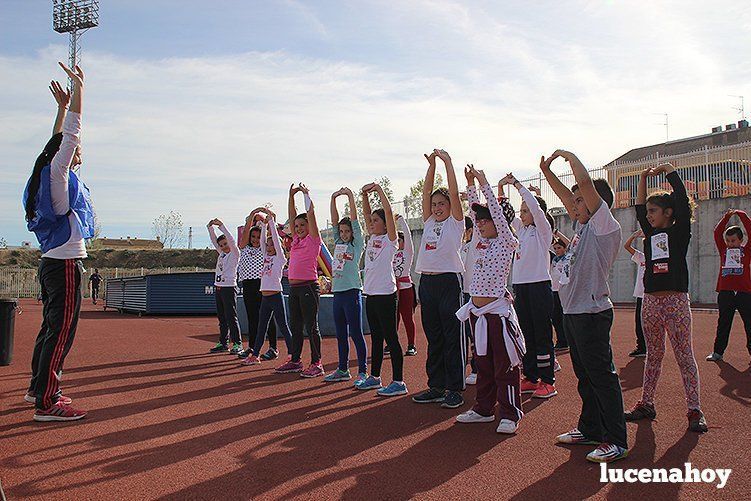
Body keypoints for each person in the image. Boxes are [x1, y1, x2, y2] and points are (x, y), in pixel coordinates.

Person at [541, 150, 628, 463]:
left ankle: (615, 439)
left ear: (595, 203)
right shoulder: (581, 228)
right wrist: (545, 171)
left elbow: (583, 186)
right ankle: (590, 428)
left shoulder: (605, 226)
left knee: (602, 377)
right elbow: (567, 195)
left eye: (580, 201)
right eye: (575, 201)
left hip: (592, 313)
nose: (573, 204)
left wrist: (570, 158)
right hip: (572, 312)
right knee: (585, 376)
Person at [23, 64, 92, 422]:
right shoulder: (58, 174)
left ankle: (38, 388)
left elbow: (57, 143)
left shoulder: (47, 176)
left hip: (52, 260)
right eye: (73, 151)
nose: (78, 152)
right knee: (61, 331)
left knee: (51, 327)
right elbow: (69, 138)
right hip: (64, 263)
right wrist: (80, 91)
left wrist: (60, 109)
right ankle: (48, 402)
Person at [625, 163, 707, 433]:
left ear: (668, 213)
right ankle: (647, 403)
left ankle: (694, 409)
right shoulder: (650, 234)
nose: (647, 216)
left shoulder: (679, 231)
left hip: (675, 302)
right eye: (647, 212)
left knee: (685, 356)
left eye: (653, 211)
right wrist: (641, 178)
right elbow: (638, 208)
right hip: (650, 302)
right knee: (653, 356)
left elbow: (682, 202)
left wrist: (671, 172)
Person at [455, 167, 525, 433]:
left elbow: (495, 211)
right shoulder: (479, 243)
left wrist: (484, 182)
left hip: (497, 313)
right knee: (482, 364)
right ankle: (483, 409)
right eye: (479, 221)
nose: (481, 223)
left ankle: (510, 413)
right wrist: (470, 183)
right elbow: (474, 213)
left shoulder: (507, 242)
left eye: (487, 220)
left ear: (501, 223)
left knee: (504, 365)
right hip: (477, 313)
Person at [412, 149, 466, 409]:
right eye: (434, 205)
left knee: (451, 336)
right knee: (434, 337)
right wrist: (431, 165)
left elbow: (454, 194)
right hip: (427, 283)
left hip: (448, 282)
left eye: (441, 204)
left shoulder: (456, 222)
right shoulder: (429, 220)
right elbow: (425, 192)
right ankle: (436, 385)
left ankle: (455, 388)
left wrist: (447, 162)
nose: (436, 207)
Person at [357, 182, 407, 396]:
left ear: (386, 225)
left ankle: (398, 381)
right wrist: (364, 195)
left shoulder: (389, 240)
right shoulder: (372, 238)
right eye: (371, 221)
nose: (371, 223)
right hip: (371, 295)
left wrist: (378, 190)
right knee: (376, 338)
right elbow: (367, 213)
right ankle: (375, 377)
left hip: (386, 295)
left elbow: (387, 211)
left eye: (376, 221)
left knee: (391, 338)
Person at [508, 178, 557, 399]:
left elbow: (536, 209)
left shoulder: (543, 232)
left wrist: (518, 186)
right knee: (526, 333)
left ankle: (548, 381)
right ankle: (531, 376)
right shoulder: (520, 231)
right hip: (521, 287)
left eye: (526, 210)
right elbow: (503, 216)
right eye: (521, 210)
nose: (523, 214)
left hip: (539, 287)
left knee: (541, 334)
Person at [274, 184, 324, 377]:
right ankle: (295, 360)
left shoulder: (314, 240)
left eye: (303, 225)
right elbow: (292, 213)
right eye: (297, 226)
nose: (299, 228)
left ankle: (317, 363)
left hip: (309, 287)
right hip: (293, 288)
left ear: (310, 227)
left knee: (311, 326)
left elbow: (310, 213)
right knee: (295, 326)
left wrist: (305, 194)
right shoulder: (295, 240)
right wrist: (290, 196)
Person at [325, 187, 368, 385]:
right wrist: (333, 199)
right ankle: (342, 369)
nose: (343, 234)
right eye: (341, 231)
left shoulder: (356, 244)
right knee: (341, 334)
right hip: (338, 294)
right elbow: (334, 222)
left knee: (356, 333)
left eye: (347, 231)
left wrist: (350, 196)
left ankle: (362, 372)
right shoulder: (337, 243)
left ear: (353, 232)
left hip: (352, 293)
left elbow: (356, 221)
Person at [240, 210, 294, 365]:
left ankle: (292, 354)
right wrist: (264, 226)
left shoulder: (279, 259)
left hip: (276, 296)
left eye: (271, 245)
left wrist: (271, 223)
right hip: (265, 297)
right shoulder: (266, 258)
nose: (268, 247)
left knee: (283, 325)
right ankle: (255, 354)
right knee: (261, 326)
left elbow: (275, 241)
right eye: (268, 245)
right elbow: (263, 242)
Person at [707, 209, 751, 362]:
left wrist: (741, 215)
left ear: (740, 240)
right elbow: (717, 232)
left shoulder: (747, 250)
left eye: (733, 241)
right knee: (724, 322)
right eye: (728, 241)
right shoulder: (723, 250)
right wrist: (726, 217)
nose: (730, 244)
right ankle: (718, 352)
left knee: (749, 323)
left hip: (744, 292)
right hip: (726, 292)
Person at [237, 209, 278, 360]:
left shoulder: (264, 249)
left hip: (263, 285)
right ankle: (252, 347)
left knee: (267, 317)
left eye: (257, 236)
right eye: (252, 236)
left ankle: (273, 347)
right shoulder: (244, 248)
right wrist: (253, 213)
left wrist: (267, 214)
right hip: (248, 285)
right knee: (252, 317)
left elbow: (272, 228)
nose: (254, 239)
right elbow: (246, 230)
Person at [208, 218, 243, 354]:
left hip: (229, 288)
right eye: (221, 245)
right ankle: (223, 342)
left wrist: (221, 226)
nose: (223, 247)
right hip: (218, 287)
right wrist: (210, 228)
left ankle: (237, 344)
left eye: (225, 244)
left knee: (231, 316)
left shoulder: (235, 254)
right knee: (221, 317)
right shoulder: (222, 254)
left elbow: (232, 241)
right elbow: (213, 240)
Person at [394, 214, 417, 357]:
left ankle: (411, 345)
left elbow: (408, 236)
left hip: (406, 288)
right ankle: (392, 343)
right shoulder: (390, 252)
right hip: (392, 288)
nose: (396, 242)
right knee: (392, 318)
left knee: (407, 317)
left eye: (399, 240)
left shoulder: (407, 253)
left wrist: (401, 221)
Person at [623, 230, 647, 357]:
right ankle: (641, 347)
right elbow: (626, 246)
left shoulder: (659, 256)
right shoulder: (641, 256)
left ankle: (650, 347)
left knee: (650, 322)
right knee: (639, 322)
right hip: (640, 294)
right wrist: (633, 236)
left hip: (651, 295)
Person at [550, 231, 570, 353]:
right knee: (555, 318)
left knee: (564, 317)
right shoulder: (554, 260)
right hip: (553, 292)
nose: (557, 250)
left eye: (559, 248)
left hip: (564, 292)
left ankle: (567, 340)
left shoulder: (567, 258)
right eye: (555, 248)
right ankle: (561, 340)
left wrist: (558, 233)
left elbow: (569, 243)